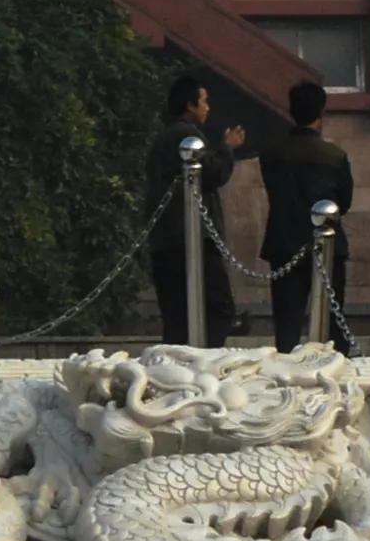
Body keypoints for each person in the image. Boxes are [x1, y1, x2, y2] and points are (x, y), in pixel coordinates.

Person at [259, 81, 356, 350]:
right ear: (320, 112)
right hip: (327, 244)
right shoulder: (334, 156)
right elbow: (344, 203)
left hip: (284, 241)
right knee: (333, 321)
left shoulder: (271, 154)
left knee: (287, 324)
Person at [146, 75, 241, 346]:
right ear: (190, 105)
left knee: (177, 315)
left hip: (167, 238)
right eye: (204, 101)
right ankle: (204, 362)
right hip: (191, 237)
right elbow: (213, 173)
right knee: (218, 308)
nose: (207, 107)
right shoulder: (185, 135)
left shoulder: (163, 137)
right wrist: (227, 148)